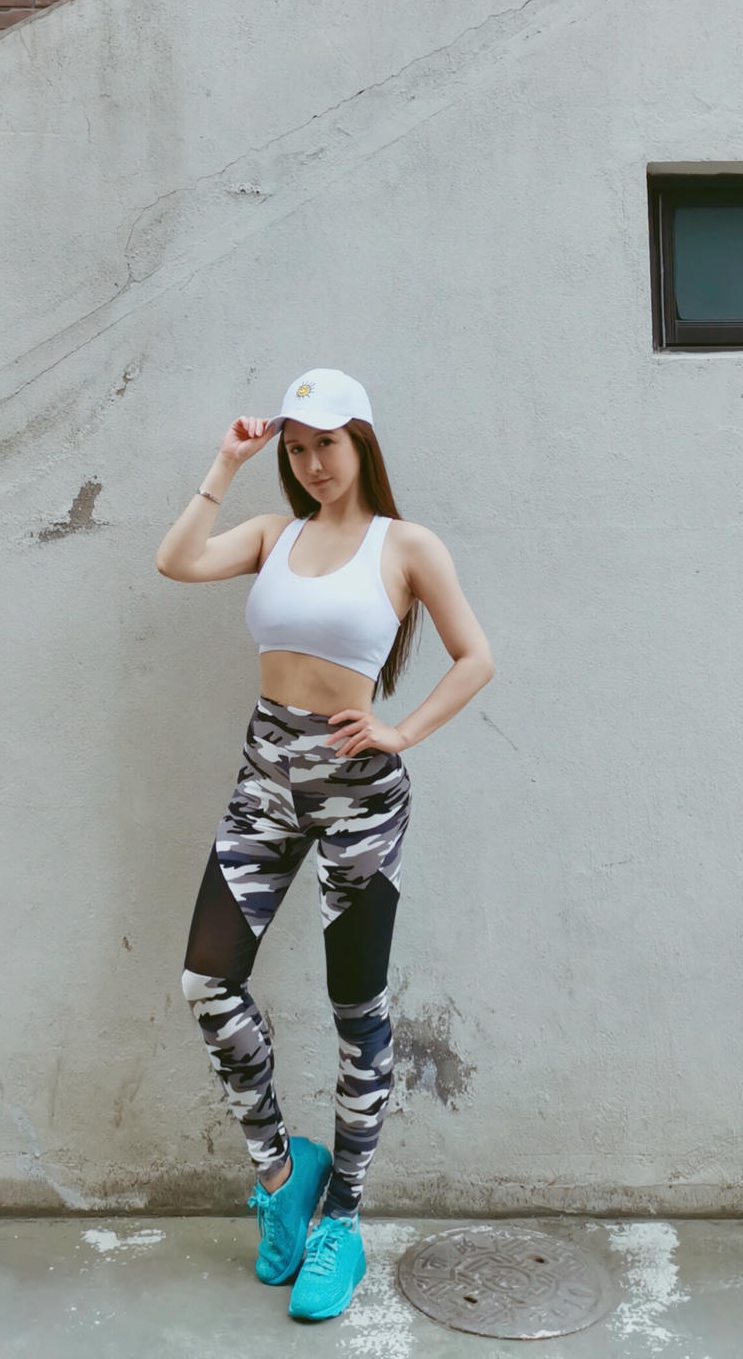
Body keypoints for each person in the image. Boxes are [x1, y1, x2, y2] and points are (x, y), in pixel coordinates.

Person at [155, 366, 494, 1322]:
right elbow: (177, 561)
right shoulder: (275, 534)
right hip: (264, 785)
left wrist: (401, 730)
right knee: (207, 981)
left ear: (362, 444)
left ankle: (341, 1216)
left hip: (358, 802)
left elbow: (477, 656)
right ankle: (281, 1172)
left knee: (356, 1009)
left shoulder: (405, 545)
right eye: (297, 449)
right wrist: (226, 462)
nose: (311, 464)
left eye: (327, 445)